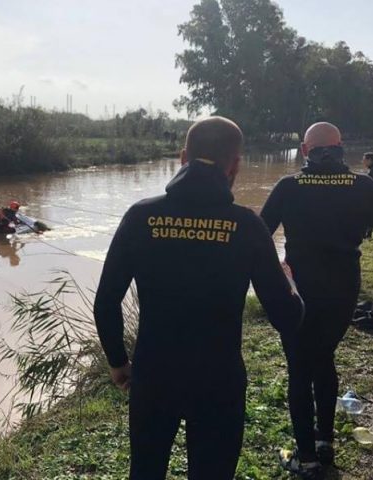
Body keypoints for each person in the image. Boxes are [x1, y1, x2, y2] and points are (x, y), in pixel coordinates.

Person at [94, 116, 303, 479]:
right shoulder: (247, 225)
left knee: (145, 472)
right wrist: (291, 283)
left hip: (154, 376)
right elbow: (286, 317)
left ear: (182, 158)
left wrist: (118, 362)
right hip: (218, 381)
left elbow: (106, 301)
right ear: (235, 165)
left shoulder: (142, 216)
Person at [260, 122, 373, 479]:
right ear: (341, 147)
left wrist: (272, 274)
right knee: (324, 357)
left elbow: (257, 236)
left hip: (298, 291)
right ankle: (325, 440)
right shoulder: (363, 186)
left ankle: (308, 459)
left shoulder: (288, 186)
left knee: (300, 368)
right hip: (344, 291)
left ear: (304, 150)